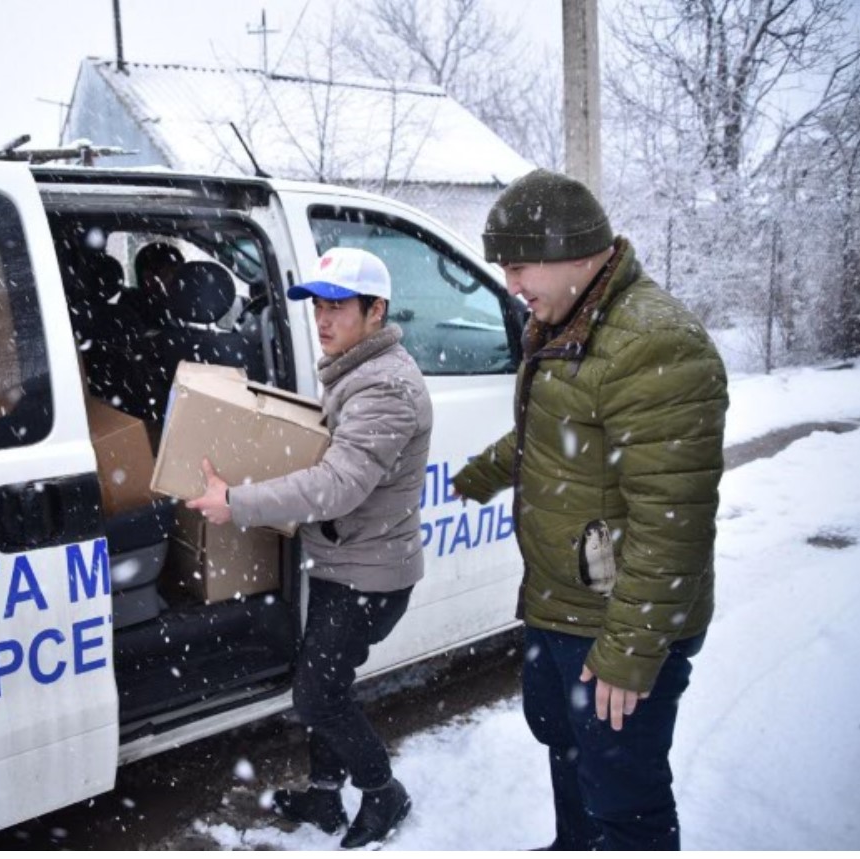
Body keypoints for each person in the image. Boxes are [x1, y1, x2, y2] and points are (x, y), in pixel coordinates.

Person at [453, 169, 727, 850]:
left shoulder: (653, 343)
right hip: (560, 603)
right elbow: (550, 430)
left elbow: (673, 523)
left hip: (616, 619)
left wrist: (629, 650)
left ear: (573, 252)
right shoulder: (568, 318)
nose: (511, 284)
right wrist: (475, 477)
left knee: (624, 800)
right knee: (567, 747)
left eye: (518, 265)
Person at [188, 247, 432, 849]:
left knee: (318, 695)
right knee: (326, 682)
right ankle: (325, 794)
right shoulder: (356, 368)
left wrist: (239, 502)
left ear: (376, 311)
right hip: (344, 561)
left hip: (368, 575)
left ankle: (383, 793)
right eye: (318, 306)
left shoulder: (386, 387)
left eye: (338, 306)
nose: (322, 319)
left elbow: (339, 485)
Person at [127, 240, 184, 328]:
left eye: (180, 272)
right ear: (148, 276)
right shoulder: (135, 312)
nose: (180, 280)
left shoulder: (179, 310)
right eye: (172, 271)